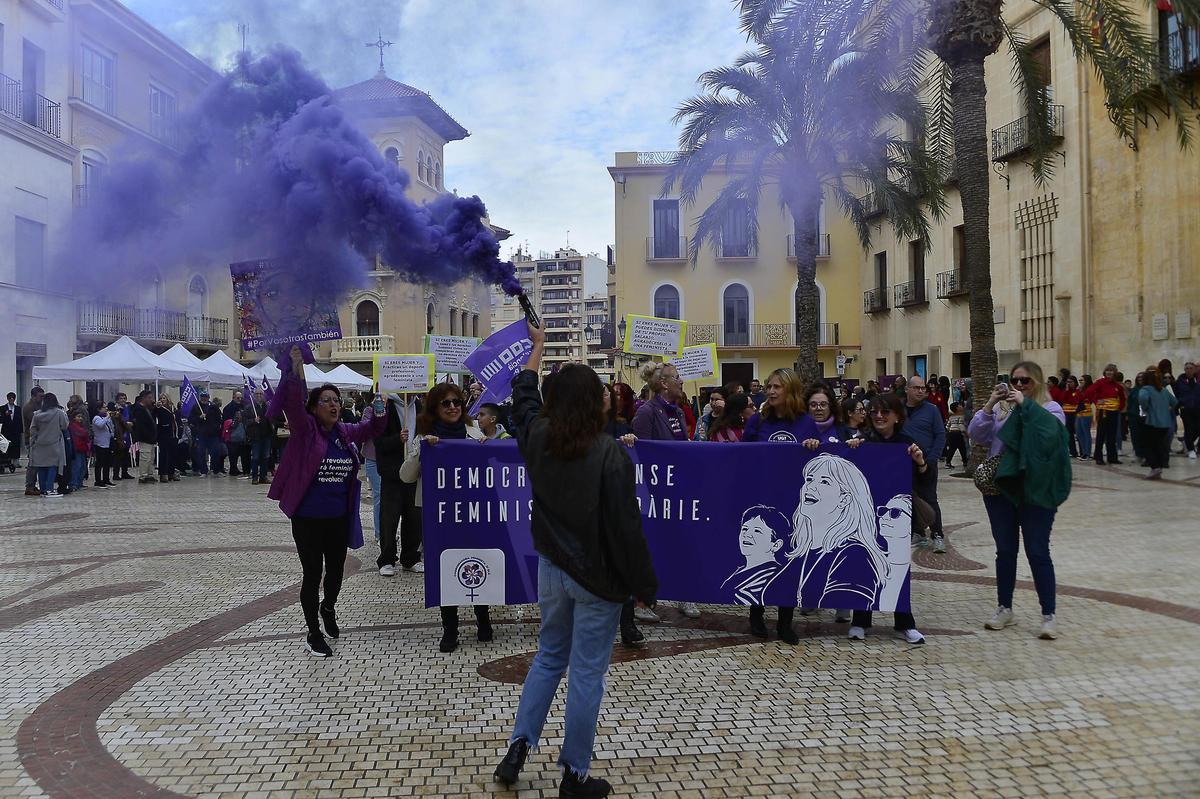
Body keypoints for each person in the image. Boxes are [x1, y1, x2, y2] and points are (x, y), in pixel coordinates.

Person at [494, 321, 657, 799]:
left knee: (547, 658)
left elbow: (523, 394)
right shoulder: (609, 454)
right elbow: (627, 530)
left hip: (551, 569)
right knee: (586, 673)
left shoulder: (538, 435)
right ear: (593, 403)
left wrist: (537, 346)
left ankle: (517, 748)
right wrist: (645, 586)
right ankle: (575, 775)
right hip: (598, 581)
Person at [266, 345, 387, 657]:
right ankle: (312, 632)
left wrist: (380, 403)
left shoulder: (344, 433)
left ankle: (328, 607)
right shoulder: (306, 431)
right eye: (326, 401)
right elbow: (293, 404)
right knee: (312, 573)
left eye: (336, 400)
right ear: (315, 407)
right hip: (307, 518)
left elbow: (371, 427)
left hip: (337, 517)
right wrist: (295, 367)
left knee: (335, 572)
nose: (334, 405)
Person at [968, 362, 1070, 640]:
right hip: (1001, 489)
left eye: (1025, 381)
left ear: (1037, 382)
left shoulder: (1050, 409)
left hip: (1035, 491)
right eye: (1016, 381)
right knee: (1005, 550)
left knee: (1037, 551)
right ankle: (1004, 608)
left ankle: (1048, 615)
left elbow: (1048, 436)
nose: (1020, 386)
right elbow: (977, 435)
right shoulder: (1005, 410)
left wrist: (1026, 405)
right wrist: (991, 404)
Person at [400, 381, 491, 653]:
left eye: (457, 402)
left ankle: (483, 620)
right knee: (444, 569)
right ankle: (449, 628)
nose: (453, 407)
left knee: (479, 562)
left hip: (473, 513)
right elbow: (405, 475)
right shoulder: (425, 438)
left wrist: (487, 449)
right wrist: (422, 451)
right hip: (439, 517)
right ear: (435, 407)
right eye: (446, 403)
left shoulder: (475, 434)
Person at [842, 394, 928, 644]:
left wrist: (920, 462)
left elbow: (923, 480)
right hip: (868, 515)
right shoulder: (864, 441)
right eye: (875, 411)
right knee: (864, 565)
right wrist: (853, 449)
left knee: (899, 566)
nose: (879, 416)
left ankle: (905, 623)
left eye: (885, 412)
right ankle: (860, 620)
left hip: (897, 516)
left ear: (898, 416)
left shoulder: (907, 443)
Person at [742, 368, 818, 643]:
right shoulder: (757, 422)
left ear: (791, 390)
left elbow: (818, 462)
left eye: (777, 387)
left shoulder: (807, 424)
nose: (771, 391)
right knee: (759, 558)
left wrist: (814, 446)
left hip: (794, 504)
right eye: (768, 386)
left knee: (790, 561)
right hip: (762, 500)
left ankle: (785, 622)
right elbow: (739, 458)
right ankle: (756, 614)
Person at [631, 361, 698, 620]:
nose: (682, 382)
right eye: (677, 378)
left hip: (678, 490)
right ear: (664, 384)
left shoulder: (679, 412)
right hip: (654, 493)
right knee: (652, 547)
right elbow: (642, 454)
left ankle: (683, 594)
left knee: (681, 544)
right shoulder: (647, 412)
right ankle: (643, 602)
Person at [374, 395, 420, 577]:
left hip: (415, 471)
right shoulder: (385, 406)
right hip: (392, 473)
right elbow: (378, 441)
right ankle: (386, 559)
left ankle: (411, 558)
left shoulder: (419, 405)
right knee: (389, 518)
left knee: (414, 518)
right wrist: (397, 439)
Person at [903, 375, 946, 551]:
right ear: (907, 389)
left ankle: (937, 535)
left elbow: (940, 435)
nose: (921, 391)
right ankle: (918, 533)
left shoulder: (932, 410)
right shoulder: (898, 410)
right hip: (904, 464)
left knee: (930, 498)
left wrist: (932, 458)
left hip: (926, 462)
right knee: (909, 498)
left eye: (923, 388)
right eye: (916, 388)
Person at [1139, 368, 1178, 480]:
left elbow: (1142, 399)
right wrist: (1166, 408)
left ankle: (1155, 467)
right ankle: (1159, 467)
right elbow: (1175, 402)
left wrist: (1146, 407)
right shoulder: (1164, 390)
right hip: (1165, 423)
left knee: (1147, 446)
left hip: (1152, 422)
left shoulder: (1145, 389)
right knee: (1159, 445)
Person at [28, 393, 69, 498]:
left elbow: (32, 429)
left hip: (39, 444)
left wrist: (35, 439)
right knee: (52, 466)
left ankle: (42, 490)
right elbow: (64, 426)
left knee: (41, 467)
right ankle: (49, 489)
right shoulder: (59, 413)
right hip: (54, 443)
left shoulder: (36, 414)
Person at [1083, 363, 1124, 465]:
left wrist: (1120, 407)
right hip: (1103, 412)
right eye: (1108, 370)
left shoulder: (1117, 386)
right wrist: (1096, 401)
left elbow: (1122, 398)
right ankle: (1098, 457)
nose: (1109, 372)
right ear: (1105, 372)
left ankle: (1112, 457)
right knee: (1101, 434)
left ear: (1115, 373)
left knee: (1112, 435)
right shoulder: (1100, 383)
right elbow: (1088, 391)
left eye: (1112, 370)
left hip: (1114, 412)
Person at [244, 389, 274, 485]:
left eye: (260, 394)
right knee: (256, 457)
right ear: (254, 395)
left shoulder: (268, 407)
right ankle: (254, 477)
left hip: (267, 435)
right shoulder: (249, 408)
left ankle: (263, 476)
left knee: (265, 457)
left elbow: (273, 419)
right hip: (256, 436)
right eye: (257, 394)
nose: (259, 396)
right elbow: (245, 422)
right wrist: (253, 420)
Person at [131, 390, 159, 485]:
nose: (152, 400)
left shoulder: (148, 408)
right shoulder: (139, 409)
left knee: (151, 457)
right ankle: (143, 475)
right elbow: (141, 425)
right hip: (145, 438)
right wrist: (147, 435)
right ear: (144, 398)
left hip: (151, 438)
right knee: (145, 457)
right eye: (150, 398)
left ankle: (150, 474)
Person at [22, 386, 45, 495]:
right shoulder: (29, 408)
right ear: (33, 396)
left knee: (36, 464)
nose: (42, 398)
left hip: (39, 438)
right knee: (32, 464)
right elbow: (36, 420)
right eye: (40, 396)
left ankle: (32, 485)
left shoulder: (39, 406)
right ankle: (29, 486)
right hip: (31, 439)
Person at [155, 393, 180, 482]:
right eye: (161, 398)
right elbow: (156, 412)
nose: (162, 399)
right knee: (164, 455)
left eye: (164, 398)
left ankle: (171, 473)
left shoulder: (173, 408)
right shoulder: (160, 409)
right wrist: (157, 406)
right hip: (163, 434)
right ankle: (163, 474)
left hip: (173, 434)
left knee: (173, 455)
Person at [1176, 361, 1198, 459]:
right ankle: (1191, 450)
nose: (1189, 370)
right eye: (1187, 368)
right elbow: (1176, 395)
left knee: (1197, 429)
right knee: (1189, 429)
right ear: (1184, 370)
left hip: (1198, 408)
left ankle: (1186, 442)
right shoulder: (1180, 381)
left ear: (1194, 370)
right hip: (1186, 409)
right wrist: (1180, 404)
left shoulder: (1198, 380)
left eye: (1191, 368)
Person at [91, 403, 116, 487]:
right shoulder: (96, 418)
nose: (106, 409)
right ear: (99, 409)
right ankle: (98, 480)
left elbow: (111, 427)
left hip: (108, 443)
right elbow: (100, 425)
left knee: (107, 463)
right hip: (100, 443)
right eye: (104, 407)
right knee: (99, 463)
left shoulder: (106, 418)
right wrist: (107, 417)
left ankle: (106, 479)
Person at [67, 411, 90, 492]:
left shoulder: (80, 426)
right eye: (78, 416)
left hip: (82, 448)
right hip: (77, 449)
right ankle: (73, 484)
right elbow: (83, 433)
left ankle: (79, 483)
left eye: (81, 417)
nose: (80, 418)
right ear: (74, 417)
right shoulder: (73, 426)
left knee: (82, 467)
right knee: (77, 467)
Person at [1075, 375, 1094, 461]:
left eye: (1082, 380)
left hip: (1086, 413)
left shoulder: (1089, 390)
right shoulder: (1079, 389)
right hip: (1079, 413)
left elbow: (1085, 399)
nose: (1080, 382)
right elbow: (1076, 399)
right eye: (1079, 380)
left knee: (1086, 433)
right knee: (1079, 433)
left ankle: (1087, 453)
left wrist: (1078, 391)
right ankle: (1083, 452)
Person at [1, 391, 21, 473]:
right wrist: (5, 414)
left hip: (15, 431)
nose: (11, 399)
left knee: (16, 446)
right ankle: (6, 460)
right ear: (8, 399)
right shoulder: (2, 408)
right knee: (6, 446)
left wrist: (21, 430)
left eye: (13, 398)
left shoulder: (18, 409)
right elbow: (1, 419)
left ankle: (15, 461)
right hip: (6, 431)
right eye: (10, 398)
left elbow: (20, 420)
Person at [944, 402, 969, 467]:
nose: (962, 406)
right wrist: (966, 433)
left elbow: (947, 426)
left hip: (951, 433)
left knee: (952, 448)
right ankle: (965, 462)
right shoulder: (962, 416)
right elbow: (961, 426)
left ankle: (948, 463)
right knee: (962, 448)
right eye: (960, 405)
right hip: (958, 434)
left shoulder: (951, 417)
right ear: (957, 408)